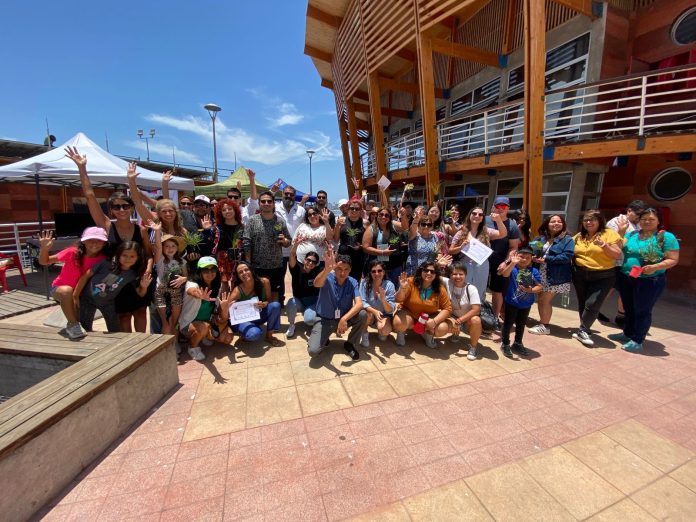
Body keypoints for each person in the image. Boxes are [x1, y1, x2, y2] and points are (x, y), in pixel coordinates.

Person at [67, 147, 154, 333]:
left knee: (140, 313)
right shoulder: (107, 226)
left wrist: (147, 270)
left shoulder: (141, 230)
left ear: (132, 208)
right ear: (111, 210)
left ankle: (141, 346)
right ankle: (127, 346)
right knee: (123, 316)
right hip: (114, 280)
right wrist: (82, 168)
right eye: (116, 207)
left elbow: (148, 254)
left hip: (135, 276)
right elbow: (90, 196)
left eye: (125, 206)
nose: (121, 210)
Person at [609, 208, 679, 352]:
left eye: (651, 219)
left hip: (650, 280)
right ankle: (627, 333)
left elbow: (673, 259)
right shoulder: (632, 234)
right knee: (628, 308)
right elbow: (617, 249)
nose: (647, 221)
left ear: (658, 221)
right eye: (643, 219)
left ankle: (638, 340)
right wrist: (621, 232)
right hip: (627, 277)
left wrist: (655, 267)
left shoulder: (665, 237)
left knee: (642, 310)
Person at [38, 228, 108, 339]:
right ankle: (73, 325)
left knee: (84, 323)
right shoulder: (72, 252)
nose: (94, 244)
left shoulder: (103, 259)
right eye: (90, 240)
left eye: (99, 240)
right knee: (67, 291)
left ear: (104, 243)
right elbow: (44, 261)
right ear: (83, 241)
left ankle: (77, 326)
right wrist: (44, 249)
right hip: (60, 290)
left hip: (81, 293)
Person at [571, 210, 623, 347]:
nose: (588, 222)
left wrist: (604, 245)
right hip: (580, 274)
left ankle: (583, 330)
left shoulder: (609, 234)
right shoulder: (579, 236)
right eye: (586, 220)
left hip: (603, 275)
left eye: (592, 219)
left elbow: (617, 255)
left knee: (592, 303)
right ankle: (583, 328)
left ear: (600, 221)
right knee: (583, 303)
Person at [75, 241, 150, 333]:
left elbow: (141, 294)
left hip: (108, 303)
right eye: (124, 255)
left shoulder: (132, 274)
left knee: (115, 331)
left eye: (132, 256)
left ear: (137, 258)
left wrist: (144, 286)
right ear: (118, 255)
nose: (128, 259)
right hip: (88, 300)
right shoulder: (106, 263)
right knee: (85, 329)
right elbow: (86, 276)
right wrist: (76, 295)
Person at [307, 250, 367, 361]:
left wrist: (344, 319)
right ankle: (324, 338)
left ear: (350, 269)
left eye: (346, 269)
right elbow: (316, 283)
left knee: (362, 314)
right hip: (325, 320)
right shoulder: (327, 277)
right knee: (313, 351)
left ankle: (350, 344)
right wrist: (326, 269)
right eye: (339, 269)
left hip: (342, 318)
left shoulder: (353, 282)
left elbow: (359, 304)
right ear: (334, 268)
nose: (342, 273)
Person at [527, 215, 575, 335]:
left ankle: (545, 326)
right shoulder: (542, 238)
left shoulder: (567, 239)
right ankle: (542, 323)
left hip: (556, 276)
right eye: (553, 221)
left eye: (559, 221)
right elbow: (533, 250)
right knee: (541, 299)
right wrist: (533, 256)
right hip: (541, 273)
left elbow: (566, 257)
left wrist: (546, 259)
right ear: (547, 224)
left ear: (563, 224)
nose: (556, 223)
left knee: (544, 300)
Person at [180, 257, 234, 361]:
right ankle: (193, 348)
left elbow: (222, 317)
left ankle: (204, 335)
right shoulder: (193, 283)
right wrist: (199, 295)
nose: (210, 273)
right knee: (203, 327)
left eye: (213, 269)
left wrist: (224, 308)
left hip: (208, 322)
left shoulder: (217, 286)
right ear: (199, 271)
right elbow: (191, 291)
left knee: (228, 337)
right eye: (205, 270)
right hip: (188, 325)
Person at [603, 199, 647, 325]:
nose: (640, 217)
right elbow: (611, 242)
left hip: (632, 264)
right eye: (638, 214)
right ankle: (594, 310)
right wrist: (622, 231)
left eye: (642, 215)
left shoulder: (638, 224)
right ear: (629, 210)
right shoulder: (616, 222)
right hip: (616, 263)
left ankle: (621, 316)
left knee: (627, 290)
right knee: (608, 288)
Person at [242, 191, 290, 302]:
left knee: (275, 294)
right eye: (263, 201)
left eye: (269, 201)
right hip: (257, 266)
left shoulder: (280, 221)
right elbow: (246, 242)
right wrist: (248, 263)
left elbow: (289, 241)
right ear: (259, 203)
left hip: (276, 265)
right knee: (259, 294)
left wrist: (285, 241)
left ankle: (274, 312)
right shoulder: (252, 220)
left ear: (273, 203)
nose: (266, 203)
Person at [452, 206, 507, 302]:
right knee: (463, 292)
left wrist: (498, 221)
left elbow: (503, 234)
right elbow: (451, 250)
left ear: (483, 218)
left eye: (480, 214)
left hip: (482, 266)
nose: (477, 216)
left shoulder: (486, 231)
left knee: (479, 293)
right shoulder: (461, 232)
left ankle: (477, 310)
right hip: (465, 266)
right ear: (469, 215)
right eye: (474, 213)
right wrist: (460, 247)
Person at [393, 261, 452, 348]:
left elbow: (447, 309)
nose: (429, 273)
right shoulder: (410, 282)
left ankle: (427, 334)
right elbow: (398, 299)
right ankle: (402, 332)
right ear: (421, 271)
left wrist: (434, 321)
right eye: (426, 270)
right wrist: (402, 289)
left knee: (442, 328)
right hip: (410, 315)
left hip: (428, 319)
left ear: (436, 274)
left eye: (432, 272)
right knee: (398, 322)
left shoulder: (440, 288)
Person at [496, 247, 542, 358]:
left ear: (531, 259)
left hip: (526, 303)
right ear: (517, 256)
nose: (524, 259)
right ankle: (505, 343)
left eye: (528, 257)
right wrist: (512, 263)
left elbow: (539, 286)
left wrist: (530, 290)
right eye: (522, 257)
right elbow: (504, 274)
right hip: (512, 302)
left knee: (521, 324)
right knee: (508, 323)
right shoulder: (513, 269)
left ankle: (518, 342)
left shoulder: (534, 271)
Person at [229, 261, 283, 346]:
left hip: (259, 315)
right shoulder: (237, 291)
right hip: (244, 320)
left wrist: (264, 304)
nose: (244, 273)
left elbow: (269, 300)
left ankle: (269, 336)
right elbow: (228, 309)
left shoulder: (264, 282)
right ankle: (246, 332)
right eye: (240, 272)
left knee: (275, 305)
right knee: (254, 334)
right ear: (238, 276)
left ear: (251, 270)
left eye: (246, 270)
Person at [486, 196, 521, 323]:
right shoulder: (484, 220)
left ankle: (494, 318)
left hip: (500, 261)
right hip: (483, 261)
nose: (500, 209)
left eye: (504, 206)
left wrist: (506, 262)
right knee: (478, 288)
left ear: (508, 208)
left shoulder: (512, 225)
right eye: (498, 206)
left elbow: (513, 247)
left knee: (497, 291)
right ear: (493, 207)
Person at [150, 223, 187, 335]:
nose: (170, 248)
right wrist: (157, 231)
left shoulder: (181, 261)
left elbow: (186, 276)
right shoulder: (160, 259)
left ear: (177, 248)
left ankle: (174, 342)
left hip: (175, 290)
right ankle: (166, 342)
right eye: (166, 246)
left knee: (173, 322)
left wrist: (183, 279)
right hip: (161, 290)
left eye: (173, 246)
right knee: (165, 322)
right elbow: (157, 246)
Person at [275, 185, 309, 305]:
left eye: (291, 194)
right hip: (279, 250)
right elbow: (260, 203)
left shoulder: (301, 210)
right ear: (282, 194)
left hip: (296, 251)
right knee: (279, 277)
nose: (288, 196)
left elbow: (305, 226)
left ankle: (297, 301)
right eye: (286, 193)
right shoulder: (275, 207)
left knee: (297, 277)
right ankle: (280, 302)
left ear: (295, 196)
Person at [442, 262, 481, 360]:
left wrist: (460, 321)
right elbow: (433, 275)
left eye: (461, 274)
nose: (458, 276)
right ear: (450, 275)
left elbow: (476, 309)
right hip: (453, 317)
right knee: (440, 327)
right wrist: (439, 264)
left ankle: (473, 347)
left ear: (465, 275)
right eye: (454, 274)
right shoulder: (448, 283)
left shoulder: (471, 288)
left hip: (467, 320)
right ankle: (455, 334)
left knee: (476, 320)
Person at [362, 206, 408, 286]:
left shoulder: (393, 225)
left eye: (387, 215)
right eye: (381, 214)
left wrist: (403, 216)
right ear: (377, 216)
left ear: (390, 218)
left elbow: (405, 228)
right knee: (380, 288)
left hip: (395, 266)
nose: (384, 217)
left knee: (395, 289)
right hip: (379, 268)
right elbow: (365, 248)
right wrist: (382, 252)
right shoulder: (371, 229)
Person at [286, 245, 322, 338]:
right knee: (291, 303)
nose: (310, 263)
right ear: (304, 260)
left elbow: (329, 269)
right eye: (308, 260)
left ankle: (314, 319)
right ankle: (291, 325)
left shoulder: (318, 271)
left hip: (313, 303)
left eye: (313, 262)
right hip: (300, 301)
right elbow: (292, 255)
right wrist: (295, 245)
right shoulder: (296, 269)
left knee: (309, 320)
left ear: (316, 264)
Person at [359, 260, 396, 347]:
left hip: (383, 314)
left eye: (379, 271)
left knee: (385, 331)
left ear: (384, 272)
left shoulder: (389, 285)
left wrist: (383, 300)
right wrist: (374, 311)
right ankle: (364, 333)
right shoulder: (364, 283)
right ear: (370, 273)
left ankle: (380, 330)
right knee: (364, 314)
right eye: (373, 271)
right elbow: (362, 301)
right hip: (370, 313)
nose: (376, 273)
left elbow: (390, 310)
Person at [208, 197, 243, 289]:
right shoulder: (216, 228)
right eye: (224, 210)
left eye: (230, 209)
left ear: (235, 210)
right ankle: (224, 299)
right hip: (223, 259)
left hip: (238, 258)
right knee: (224, 283)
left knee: (237, 283)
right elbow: (211, 244)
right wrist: (206, 230)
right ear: (220, 213)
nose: (227, 211)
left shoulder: (242, 227)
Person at [334, 197, 367, 282]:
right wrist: (337, 226)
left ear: (361, 210)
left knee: (355, 280)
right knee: (341, 278)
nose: (354, 210)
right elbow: (336, 239)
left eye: (357, 209)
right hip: (343, 255)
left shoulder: (365, 223)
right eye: (352, 208)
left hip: (358, 256)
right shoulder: (341, 221)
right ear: (348, 209)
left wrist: (361, 246)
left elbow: (368, 241)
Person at [405, 208, 446, 275]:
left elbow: (438, 252)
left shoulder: (435, 237)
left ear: (432, 227)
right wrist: (416, 220)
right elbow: (412, 229)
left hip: (429, 273)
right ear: (419, 225)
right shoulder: (414, 235)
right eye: (423, 224)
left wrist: (440, 259)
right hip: (414, 272)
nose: (426, 227)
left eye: (429, 225)